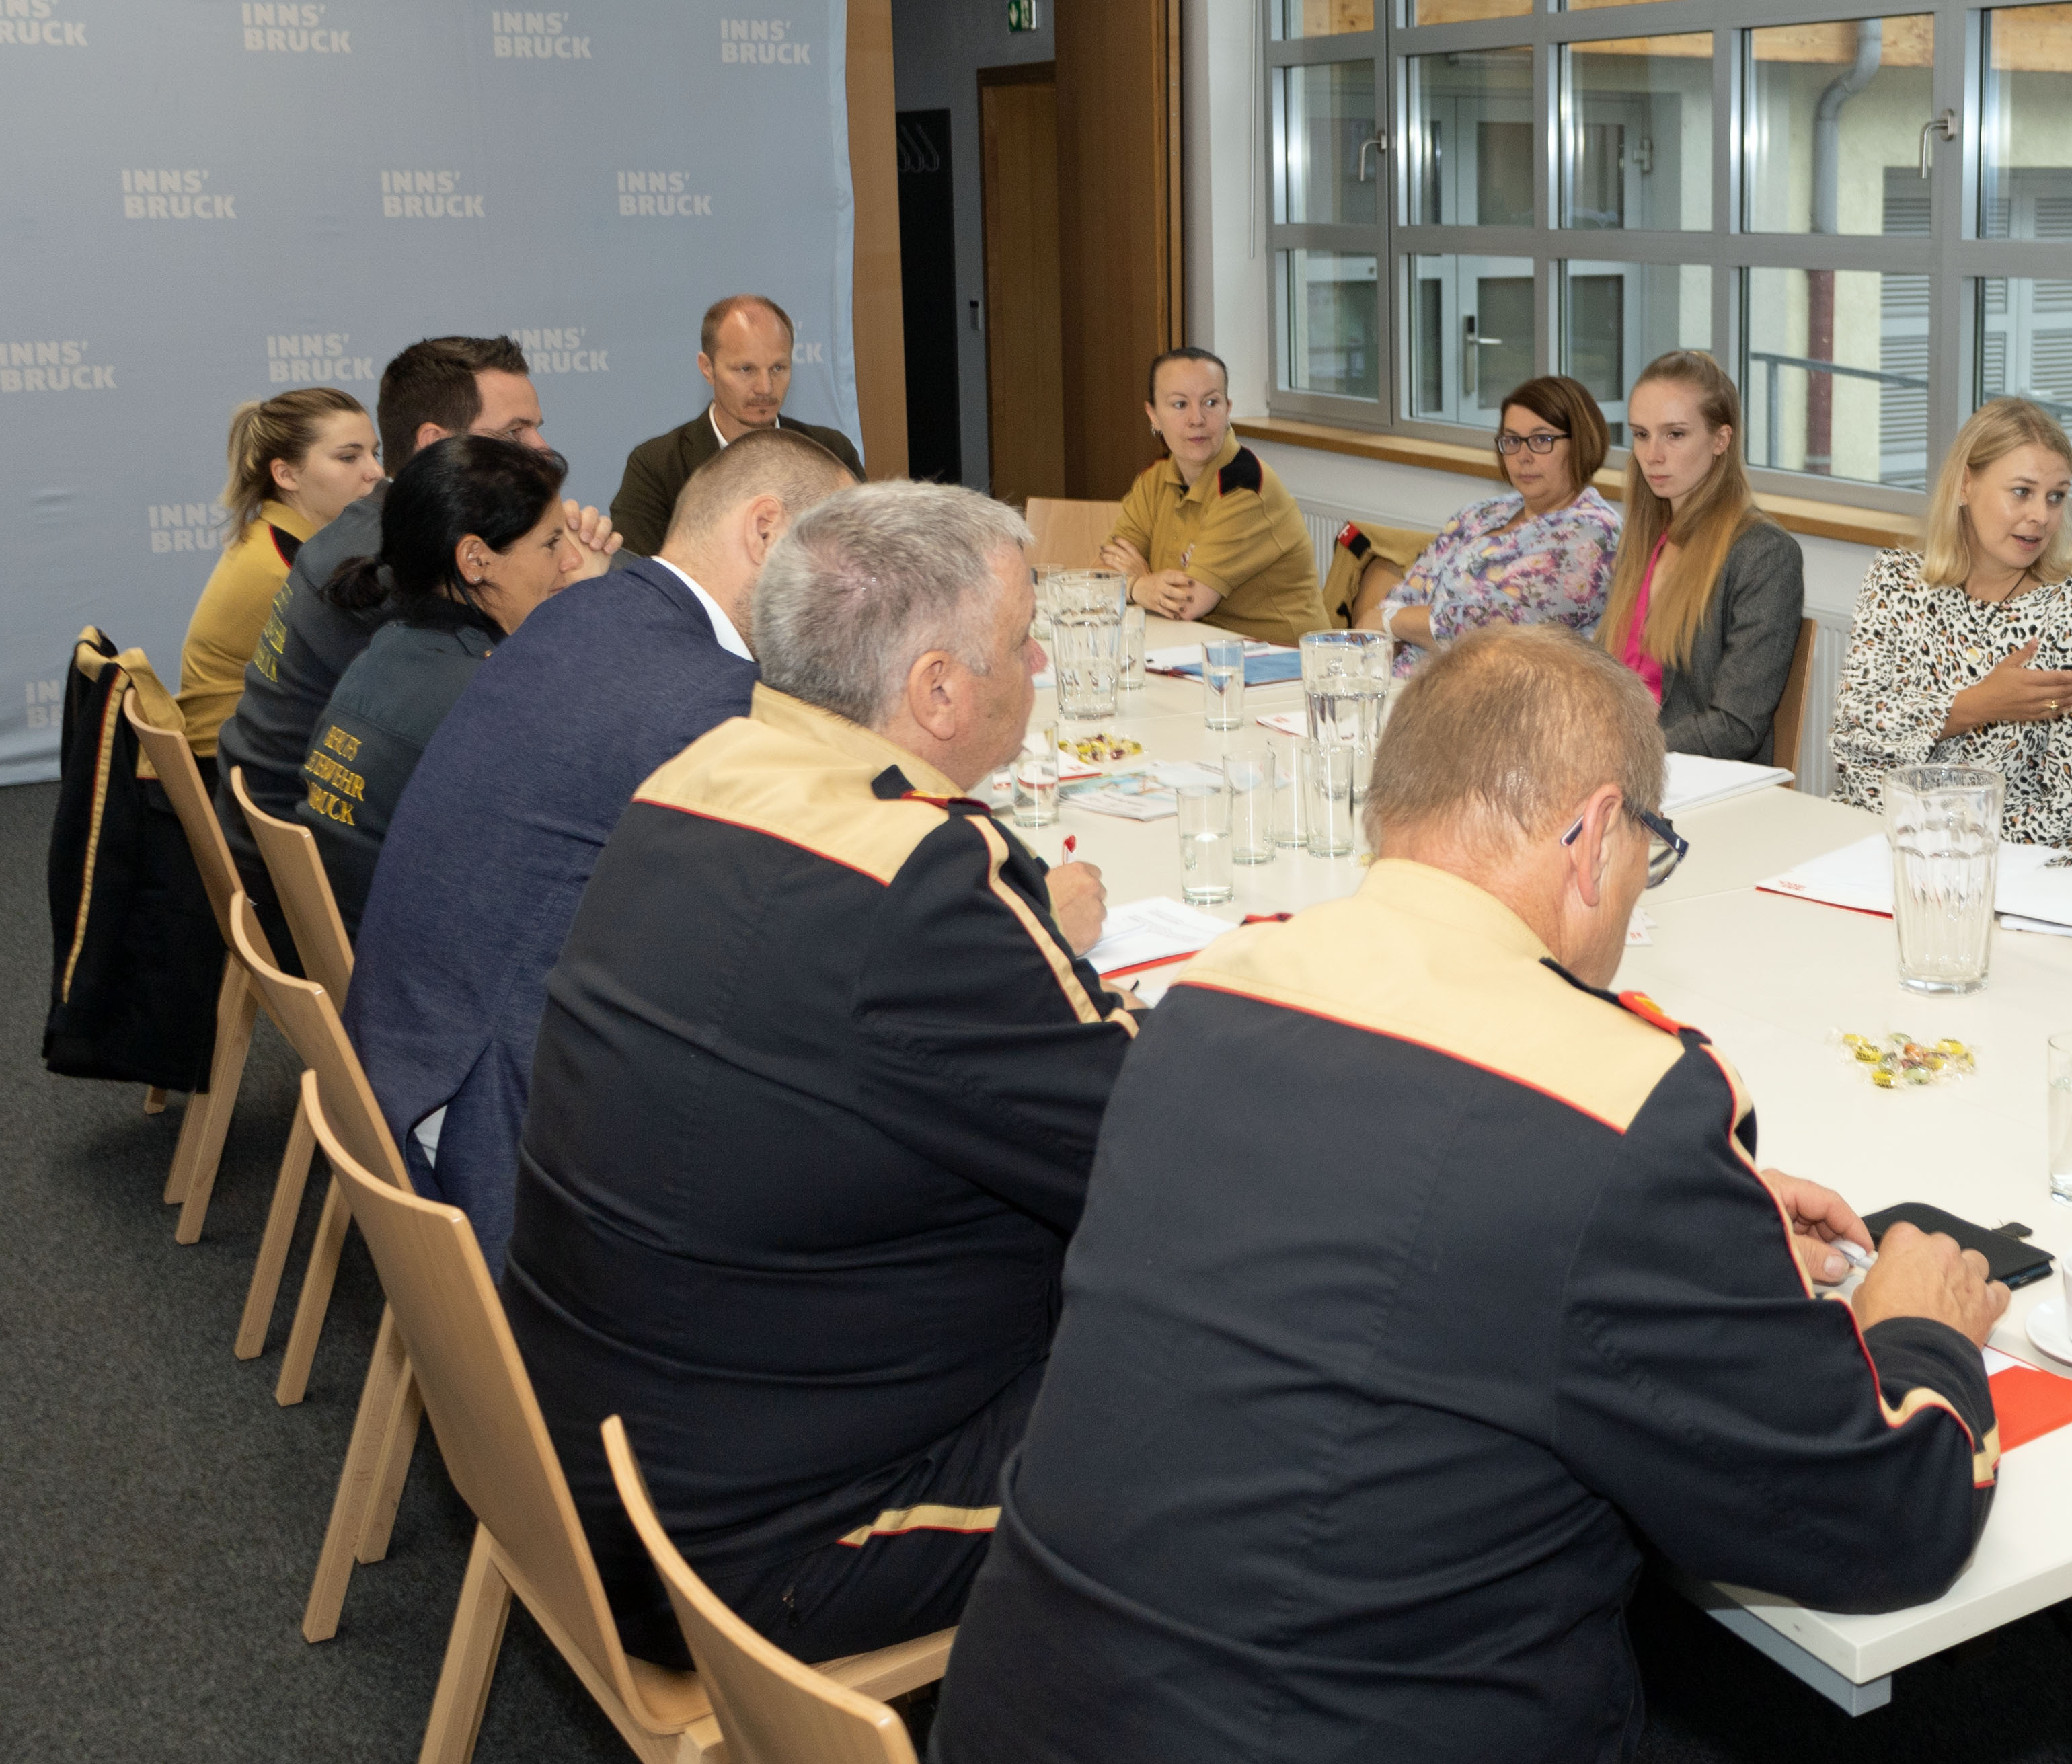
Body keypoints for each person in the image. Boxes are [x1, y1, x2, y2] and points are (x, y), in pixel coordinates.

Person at [925, 625, 2007, 1764]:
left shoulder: (1212, 988)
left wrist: (1699, 1231)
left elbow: (1406, 1211)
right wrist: (1920, 1331)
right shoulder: (1628, 1111)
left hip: (1013, 1761)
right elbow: (1880, 1522)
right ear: (1597, 835)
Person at [505, 482, 1128, 1670]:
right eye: (1020, 640)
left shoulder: (693, 775)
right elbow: (1160, 1156)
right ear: (939, 688)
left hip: (580, 1456)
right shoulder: (925, 879)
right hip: (767, 1544)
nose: (1038, 658)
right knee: (1250, 1382)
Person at [344, 428, 854, 1264]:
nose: (848, 594)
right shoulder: (713, 701)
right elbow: (813, 935)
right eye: (838, 556)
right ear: (766, 531)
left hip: (403, 1069)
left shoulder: (577, 611)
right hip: (490, 1136)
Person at [213, 334, 619, 970]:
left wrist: (545, 548)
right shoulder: (424, 615)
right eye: (513, 435)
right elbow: (567, 734)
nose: (536, 449)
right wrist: (587, 596)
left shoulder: (378, 548)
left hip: (298, 847)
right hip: (320, 899)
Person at [292, 436, 574, 927]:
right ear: (475, 560)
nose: (571, 560)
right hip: (422, 978)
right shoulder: (492, 705)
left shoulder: (381, 653)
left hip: (357, 954)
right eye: (551, 542)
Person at [1828, 397, 2072, 863]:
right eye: (2022, 492)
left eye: (2056, 496)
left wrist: (1936, 836)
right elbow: (1853, 744)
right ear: (1966, 485)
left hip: (2000, 876)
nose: (2041, 516)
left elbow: (2068, 820)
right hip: (1871, 854)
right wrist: (1978, 705)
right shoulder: (1896, 581)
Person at [1597, 350, 1806, 765]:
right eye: (1641, 435)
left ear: (1720, 440)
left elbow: (1735, 728)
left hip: (1689, 780)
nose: (1653, 455)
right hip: (1618, 764)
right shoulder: (1643, 541)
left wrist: (1616, 752)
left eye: (1674, 435)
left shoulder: (1764, 554)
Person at [1358, 373, 1621, 673]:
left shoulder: (1594, 533)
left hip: (1496, 703)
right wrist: (1389, 625)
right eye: (1512, 441)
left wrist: (1393, 622)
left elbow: (1500, 626)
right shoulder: (1481, 513)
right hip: (1406, 684)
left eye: (1541, 440)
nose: (1523, 456)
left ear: (1581, 443)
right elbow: (1411, 588)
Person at [176, 388, 383, 756]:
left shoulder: (280, 538)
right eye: (349, 457)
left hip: (238, 751)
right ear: (286, 475)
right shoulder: (288, 566)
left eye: (374, 453)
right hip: (237, 767)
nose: (376, 473)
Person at [607, 294, 864, 557]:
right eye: (746, 369)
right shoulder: (657, 467)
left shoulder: (831, 452)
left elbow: (865, 555)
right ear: (707, 368)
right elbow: (640, 580)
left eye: (778, 368)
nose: (765, 388)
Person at [1100, 346, 1322, 643]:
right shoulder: (1154, 481)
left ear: (1228, 410)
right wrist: (1141, 586)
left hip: (1283, 663)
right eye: (1180, 405)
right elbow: (1101, 574)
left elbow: (1186, 604)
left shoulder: (1245, 487)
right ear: (1153, 416)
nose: (1197, 419)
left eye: (1210, 402)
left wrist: (1136, 581)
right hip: (1202, 650)